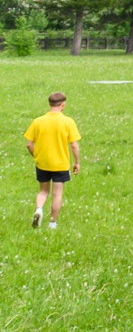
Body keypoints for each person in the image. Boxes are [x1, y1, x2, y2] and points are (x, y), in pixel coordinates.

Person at [24, 92, 80, 231]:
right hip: (60, 164)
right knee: (57, 194)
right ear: (63, 105)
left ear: (49, 104)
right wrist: (76, 162)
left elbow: (29, 144)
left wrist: (36, 156)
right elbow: (73, 145)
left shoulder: (38, 121)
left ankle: (39, 210)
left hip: (42, 163)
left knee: (43, 191)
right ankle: (52, 223)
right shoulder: (68, 121)